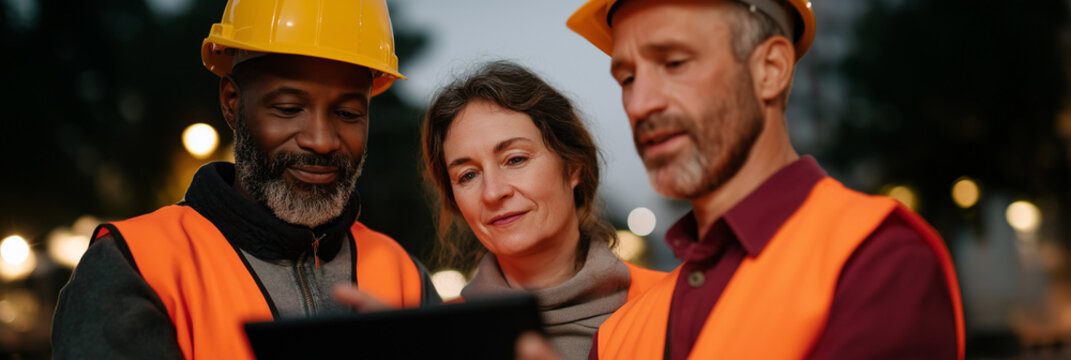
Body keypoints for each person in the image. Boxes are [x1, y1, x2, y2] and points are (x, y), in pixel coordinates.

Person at [564, 0, 966, 358]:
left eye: (674, 63)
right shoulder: (621, 332)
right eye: (627, 78)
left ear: (770, 69)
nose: (639, 103)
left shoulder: (877, 263)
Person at [51, 1, 440, 358]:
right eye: (289, 109)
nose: (321, 140)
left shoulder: (404, 275)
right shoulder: (134, 264)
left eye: (349, 114)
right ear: (232, 103)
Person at [420, 61, 665, 359]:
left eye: (515, 159)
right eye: (468, 175)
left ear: (573, 166)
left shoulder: (673, 305)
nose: (493, 192)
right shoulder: (440, 339)